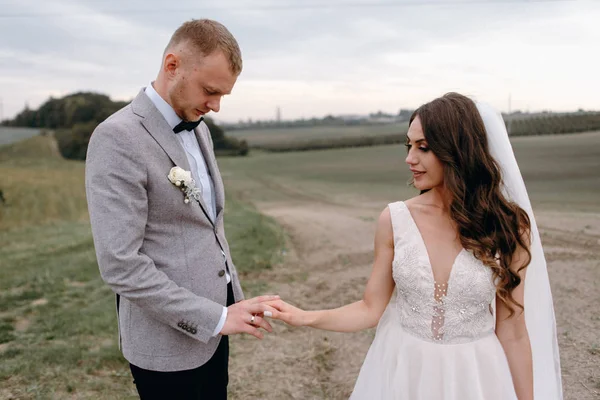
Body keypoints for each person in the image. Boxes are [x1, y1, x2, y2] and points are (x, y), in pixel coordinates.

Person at [266, 93, 563, 399]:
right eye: (408, 146)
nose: (410, 158)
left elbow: (512, 332)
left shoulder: (509, 227)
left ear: (458, 149)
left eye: (423, 147)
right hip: (403, 371)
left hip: (475, 377)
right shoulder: (394, 220)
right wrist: (304, 316)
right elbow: (370, 309)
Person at [85, 19, 278, 400]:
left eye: (223, 95)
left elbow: (208, 225)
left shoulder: (200, 126)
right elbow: (121, 264)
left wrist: (232, 303)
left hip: (215, 329)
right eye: (210, 91)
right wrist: (217, 317)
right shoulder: (117, 138)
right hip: (165, 346)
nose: (216, 106)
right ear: (172, 65)